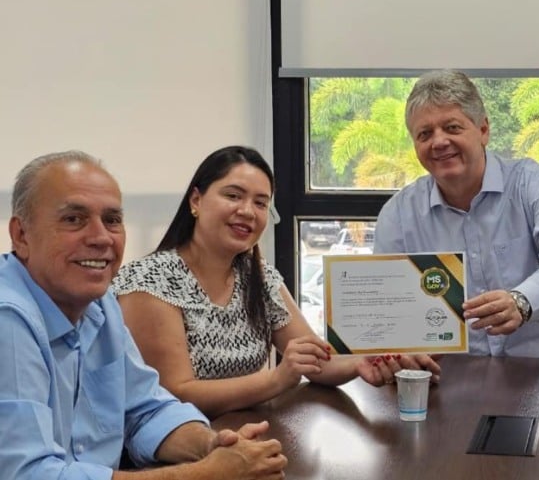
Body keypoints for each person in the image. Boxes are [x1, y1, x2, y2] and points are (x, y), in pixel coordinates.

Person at [0, 151, 286, 478]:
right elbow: (29, 475)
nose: (101, 237)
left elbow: (145, 410)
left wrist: (214, 445)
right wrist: (207, 474)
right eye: (73, 219)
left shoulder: (99, 305)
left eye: (112, 220)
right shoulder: (8, 317)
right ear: (21, 235)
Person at [113, 146, 439, 419]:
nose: (248, 211)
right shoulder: (150, 281)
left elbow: (316, 361)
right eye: (233, 195)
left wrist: (362, 362)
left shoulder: (258, 274)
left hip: (250, 435)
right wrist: (277, 379)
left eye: (260, 202)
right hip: (180, 450)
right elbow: (176, 394)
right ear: (195, 201)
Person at [374, 69, 539, 358]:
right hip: (447, 382)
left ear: (484, 130)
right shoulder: (397, 215)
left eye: (452, 128)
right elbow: (385, 309)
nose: (438, 142)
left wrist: (521, 302)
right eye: (424, 134)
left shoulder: (534, 184)